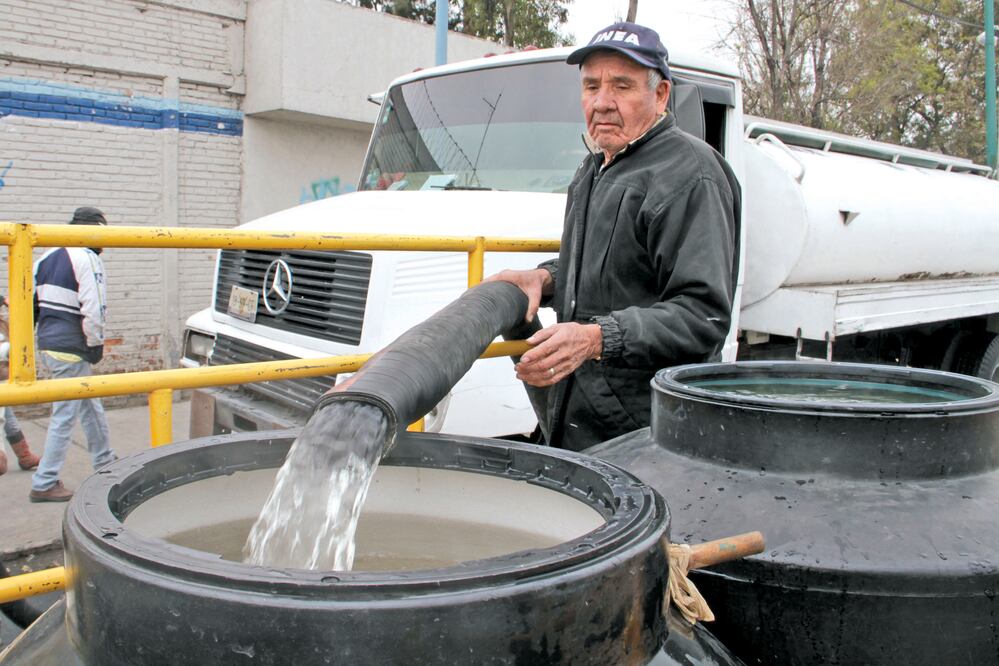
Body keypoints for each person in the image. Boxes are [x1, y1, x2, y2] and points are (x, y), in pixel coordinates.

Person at [488, 22, 741, 452]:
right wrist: (545, 279)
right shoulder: (594, 168)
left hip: (648, 434)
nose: (602, 103)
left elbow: (703, 316)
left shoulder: (691, 175)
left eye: (621, 86)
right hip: (581, 423)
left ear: (660, 95)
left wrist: (595, 339)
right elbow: (613, 266)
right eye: (591, 86)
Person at [29, 206, 116, 502]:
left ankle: (106, 464)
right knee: (65, 414)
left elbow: (32, 305)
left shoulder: (46, 257)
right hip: (72, 345)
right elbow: (94, 307)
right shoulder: (87, 257)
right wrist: (94, 344)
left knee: (89, 407)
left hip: (48, 343)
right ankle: (44, 481)